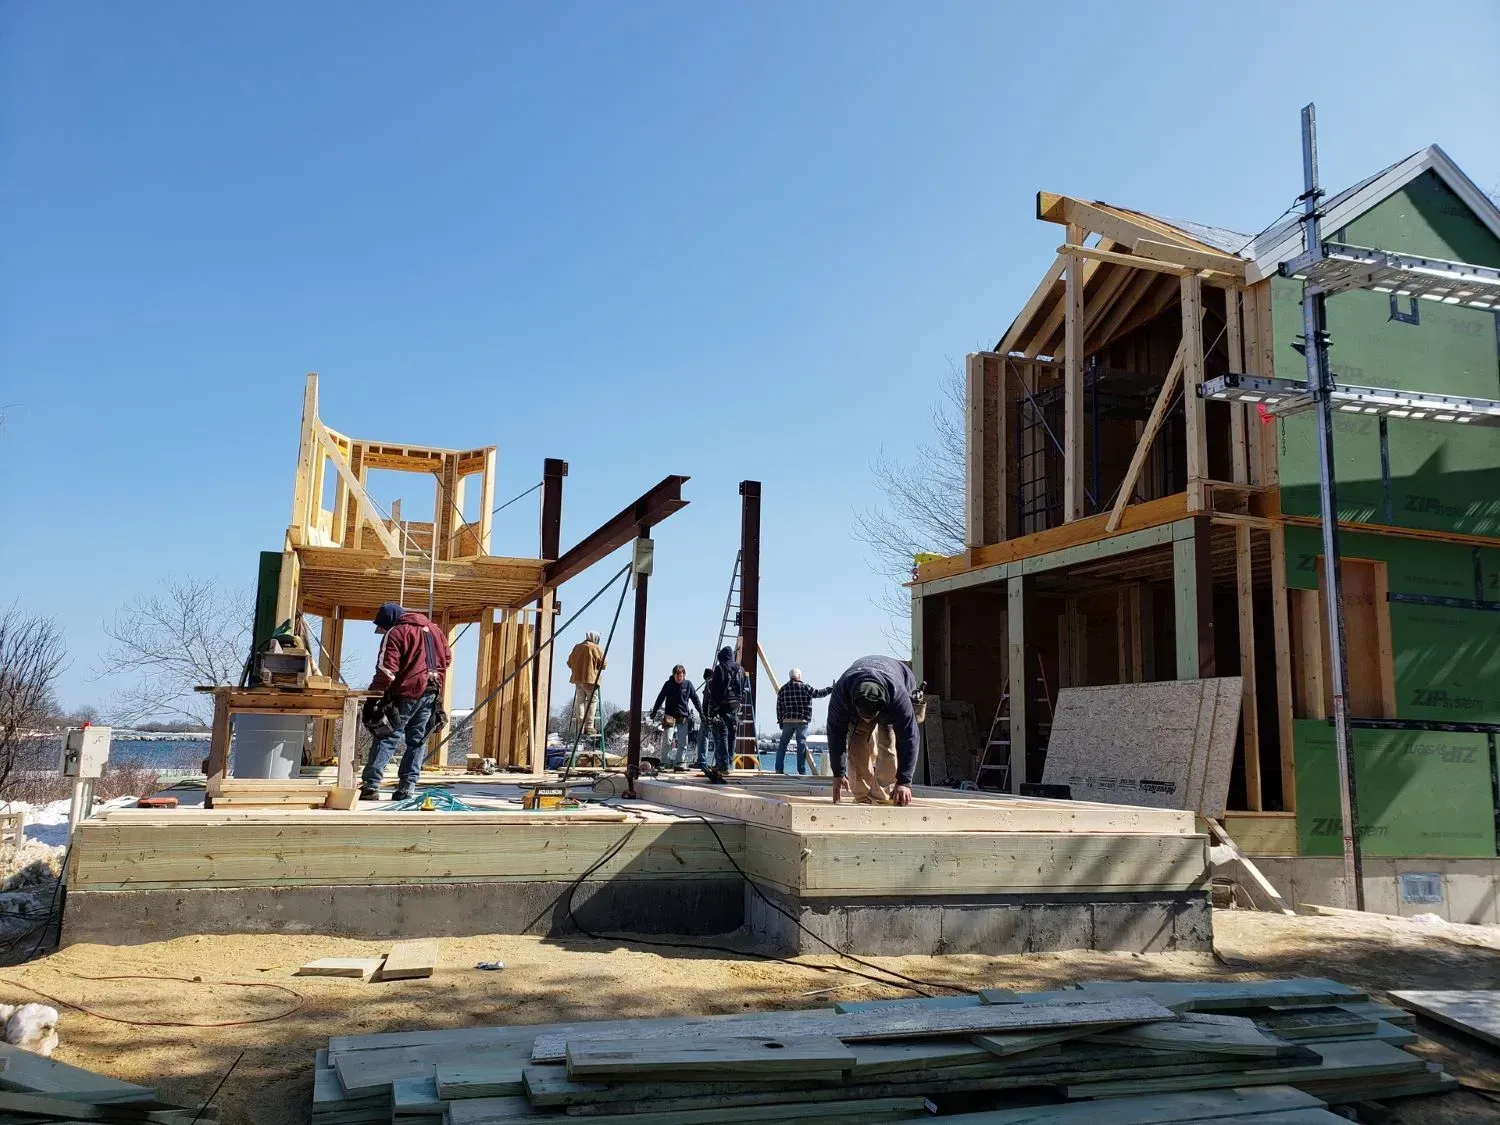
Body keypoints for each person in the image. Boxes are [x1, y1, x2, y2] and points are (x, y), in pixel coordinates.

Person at [359, 602, 453, 802]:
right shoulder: (435, 630)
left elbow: (386, 669)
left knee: (387, 735)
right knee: (417, 740)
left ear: (389, 621)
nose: (383, 630)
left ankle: (370, 786)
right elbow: (446, 659)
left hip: (405, 692)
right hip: (431, 691)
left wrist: (374, 696)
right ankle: (406, 788)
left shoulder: (397, 632)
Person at [825, 655, 925, 807]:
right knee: (856, 741)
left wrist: (905, 782)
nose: (868, 721)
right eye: (864, 716)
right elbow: (835, 732)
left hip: (896, 684)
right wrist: (838, 773)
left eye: (871, 717)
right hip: (858, 693)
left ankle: (881, 798)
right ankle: (862, 797)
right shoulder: (842, 691)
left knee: (888, 743)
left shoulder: (898, 696)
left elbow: (909, 737)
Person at [705, 646, 750, 782]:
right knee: (732, 735)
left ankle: (723, 764)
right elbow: (743, 689)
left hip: (723, 706)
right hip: (735, 706)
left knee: (722, 735)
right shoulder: (741, 669)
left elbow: (716, 690)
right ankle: (730, 763)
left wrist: (713, 708)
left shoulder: (720, 668)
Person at [774, 668, 831, 775]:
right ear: (799, 676)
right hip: (802, 720)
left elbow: (779, 707)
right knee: (801, 745)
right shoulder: (805, 687)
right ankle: (801, 770)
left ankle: (779, 769)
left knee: (782, 744)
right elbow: (819, 693)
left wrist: (780, 721)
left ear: (790, 676)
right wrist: (831, 689)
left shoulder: (783, 689)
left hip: (787, 720)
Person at [650, 664, 702, 771]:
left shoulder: (688, 685)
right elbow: (660, 697)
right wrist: (654, 711)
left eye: (681, 676)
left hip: (683, 716)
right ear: (674, 675)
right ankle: (666, 762)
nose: (679, 678)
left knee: (683, 741)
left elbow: (695, 699)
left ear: (684, 675)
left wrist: (701, 712)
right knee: (667, 740)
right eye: (677, 675)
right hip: (669, 715)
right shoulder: (668, 684)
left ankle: (680, 762)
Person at [565, 631, 606, 738]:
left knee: (580, 702)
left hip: (578, 680)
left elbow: (569, 663)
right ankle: (589, 726)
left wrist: (578, 667)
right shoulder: (595, 648)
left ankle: (580, 727)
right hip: (590, 679)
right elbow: (604, 664)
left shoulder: (577, 647)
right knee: (592, 701)